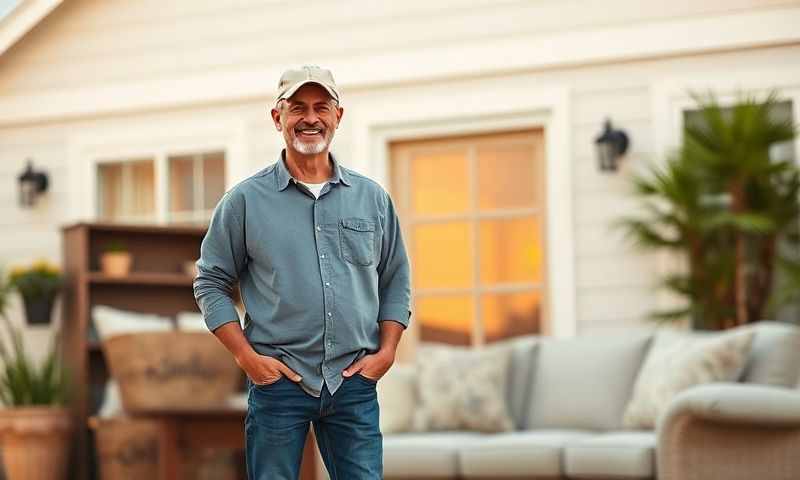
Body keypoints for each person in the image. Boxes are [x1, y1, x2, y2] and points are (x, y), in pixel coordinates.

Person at [193, 65, 412, 480]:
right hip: (278, 384)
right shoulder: (243, 202)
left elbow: (396, 278)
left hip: (354, 383)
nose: (310, 118)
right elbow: (210, 282)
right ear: (278, 118)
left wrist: (387, 352)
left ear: (337, 116)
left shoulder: (372, 199)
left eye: (321, 107)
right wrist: (246, 357)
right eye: (297, 108)